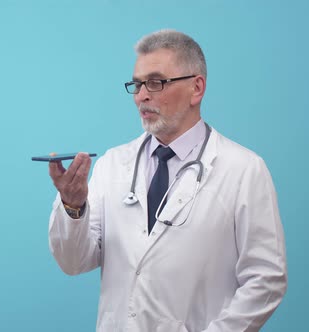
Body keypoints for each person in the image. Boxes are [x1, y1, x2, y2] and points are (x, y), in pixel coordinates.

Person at [46, 29, 287, 332]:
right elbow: (73, 262)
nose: (141, 96)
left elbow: (266, 279)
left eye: (156, 83)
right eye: (137, 84)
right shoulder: (112, 165)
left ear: (196, 88)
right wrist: (73, 206)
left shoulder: (244, 170)